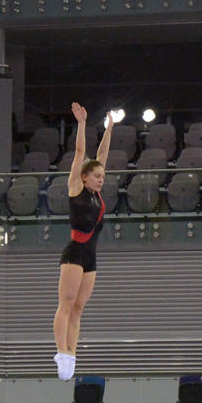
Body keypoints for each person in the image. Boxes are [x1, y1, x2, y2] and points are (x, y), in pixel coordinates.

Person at [53, 103, 114, 381]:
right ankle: (61, 352)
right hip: (74, 253)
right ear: (85, 176)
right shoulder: (76, 187)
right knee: (66, 304)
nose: (102, 180)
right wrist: (81, 124)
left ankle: (72, 354)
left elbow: (101, 155)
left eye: (103, 176)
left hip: (91, 256)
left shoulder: (97, 194)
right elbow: (81, 153)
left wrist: (110, 128)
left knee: (79, 307)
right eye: (98, 176)